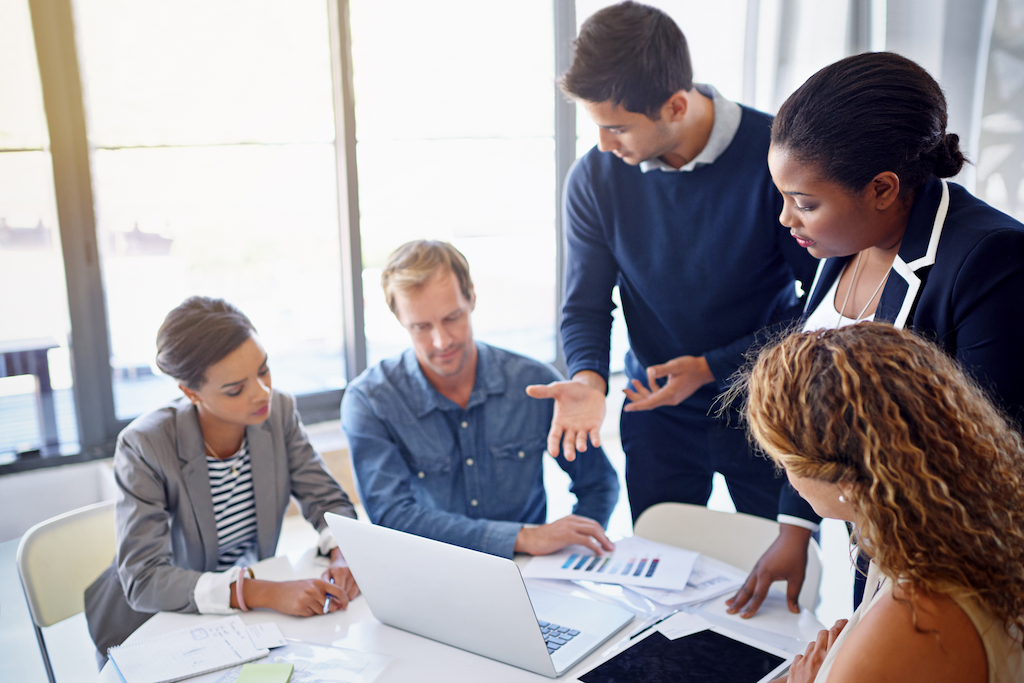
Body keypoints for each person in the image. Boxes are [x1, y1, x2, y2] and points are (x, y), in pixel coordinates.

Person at [728, 51, 1024, 619]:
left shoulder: (989, 259)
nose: (787, 219)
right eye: (784, 197)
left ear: (883, 188)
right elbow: (817, 408)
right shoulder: (843, 238)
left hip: (946, 561)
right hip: (870, 542)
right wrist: (795, 529)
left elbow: (992, 457)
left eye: (804, 202)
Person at [526, 1, 817, 523]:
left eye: (617, 127)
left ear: (676, 107)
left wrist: (712, 367)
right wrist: (590, 379)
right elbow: (585, 305)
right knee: (660, 576)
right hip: (656, 408)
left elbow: (824, 308)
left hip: (767, 397)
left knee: (780, 583)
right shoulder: (595, 177)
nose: (602, 143)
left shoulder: (777, 159)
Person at [739, 324, 1024, 683]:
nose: (784, 474)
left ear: (843, 479)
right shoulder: (973, 528)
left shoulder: (910, 620)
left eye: (785, 461)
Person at [85, 297, 360, 663]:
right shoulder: (145, 445)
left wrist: (343, 556)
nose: (261, 393)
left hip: (241, 626)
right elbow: (145, 578)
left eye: (264, 370)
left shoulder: (277, 411)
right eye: (235, 389)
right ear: (191, 392)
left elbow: (326, 501)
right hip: (155, 626)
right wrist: (261, 592)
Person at [341, 240, 620, 559]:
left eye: (452, 318)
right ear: (399, 318)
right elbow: (391, 516)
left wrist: (574, 553)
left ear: (471, 297)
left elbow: (598, 482)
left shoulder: (534, 383)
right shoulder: (370, 401)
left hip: (531, 574)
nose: (441, 341)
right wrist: (522, 538)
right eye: (421, 327)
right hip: (433, 570)